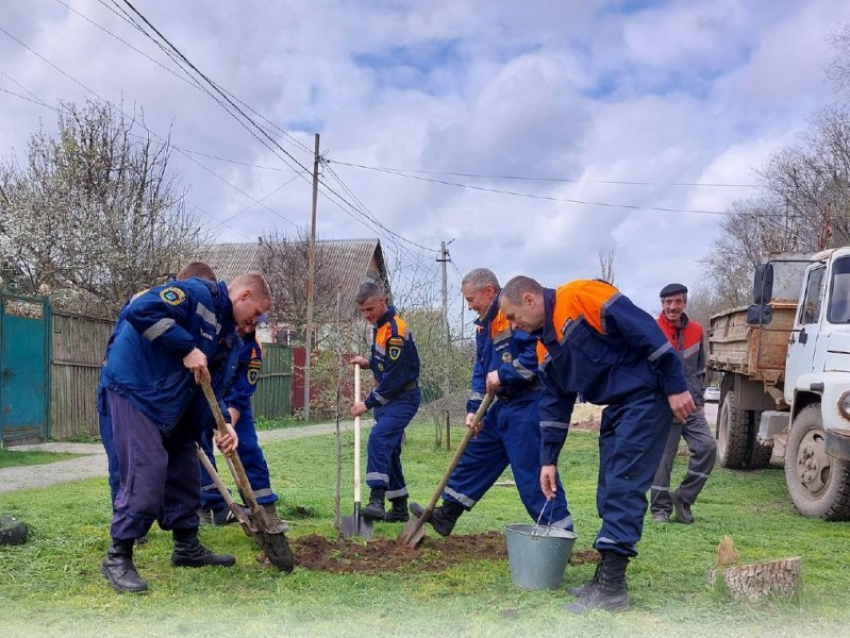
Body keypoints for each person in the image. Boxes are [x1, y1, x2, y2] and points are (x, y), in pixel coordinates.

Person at [500, 276, 695, 614]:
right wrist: (548, 460)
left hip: (647, 397)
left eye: (514, 317)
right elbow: (555, 403)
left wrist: (675, 385)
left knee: (623, 486)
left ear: (529, 299)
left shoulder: (581, 296)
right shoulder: (545, 347)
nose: (514, 326)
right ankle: (603, 579)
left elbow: (645, 329)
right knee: (607, 489)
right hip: (618, 407)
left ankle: (612, 591)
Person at [100, 272, 271, 593]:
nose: (256, 323)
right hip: (135, 389)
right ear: (244, 295)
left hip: (172, 402)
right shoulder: (196, 294)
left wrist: (224, 425)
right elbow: (141, 311)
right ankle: (117, 556)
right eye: (257, 313)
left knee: (186, 471)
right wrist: (186, 347)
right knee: (147, 468)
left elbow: (211, 388)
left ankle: (186, 547)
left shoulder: (230, 339)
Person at [410, 268, 572, 535]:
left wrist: (506, 374)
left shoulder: (515, 317)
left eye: (471, 299)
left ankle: (558, 534)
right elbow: (481, 371)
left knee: (532, 474)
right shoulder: (484, 327)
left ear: (489, 291)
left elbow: (539, 352)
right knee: (475, 455)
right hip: (503, 407)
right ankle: (447, 515)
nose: (469, 306)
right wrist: (474, 411)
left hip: (529, 405)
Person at [197, 321, 288, 532]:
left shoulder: (253, 347)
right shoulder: (210, 331)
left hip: (234, 401)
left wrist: (228, 428)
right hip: (202, 395)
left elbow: (242, 393)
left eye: (256, 322)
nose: (249, 327)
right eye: (248, 320)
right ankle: (210, 506)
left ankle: (264, 507)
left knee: (247, 447)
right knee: (198, 447)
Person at [349, 282, 421, 522]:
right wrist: (368, 362)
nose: (366, 315)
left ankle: (376, 501)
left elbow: (395, 377)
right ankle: (400, 508)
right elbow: (384, 363)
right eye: (362, 311)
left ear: (382, 301)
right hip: (388, 398)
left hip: (402, 398)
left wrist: (366, 403)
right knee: (389, 451)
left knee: (379, 438)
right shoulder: (379, 327)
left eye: (370, 309)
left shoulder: (395, 330)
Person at [649, 283, 716, 524]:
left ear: (684, 303)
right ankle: (660, 510)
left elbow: (699, 369)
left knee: (708, 447)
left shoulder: (697, 330)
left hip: (691, 406)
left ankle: (684, 498)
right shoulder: (652, 330)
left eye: (677, 302)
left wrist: (699, 401)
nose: (673, 306)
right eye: (668, 302)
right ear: (662, 305)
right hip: (663, 408)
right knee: (662, 460)